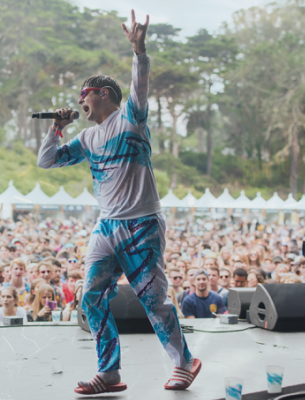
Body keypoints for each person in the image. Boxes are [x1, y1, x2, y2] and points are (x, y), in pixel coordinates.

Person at [36, 11, 199, 394]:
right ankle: (109, 373)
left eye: (84, 94)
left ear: (103, 94)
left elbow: (139, 84)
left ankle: (184, 362)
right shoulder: (88, 140)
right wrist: (57, 127)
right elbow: (47, 160)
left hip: (142, 224)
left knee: (154, 300)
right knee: (91, 298)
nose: (79, 101)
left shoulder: (131, 119)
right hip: (107, 227)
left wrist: (139, 50)